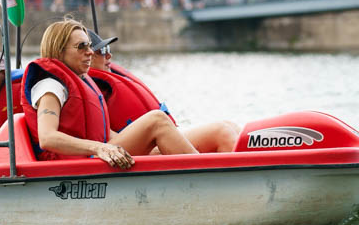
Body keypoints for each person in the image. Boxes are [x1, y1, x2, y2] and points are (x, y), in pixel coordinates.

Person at [23, 18, 198, 167]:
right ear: (59, 51)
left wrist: (150, 144)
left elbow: (104, 132)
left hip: (95, 155)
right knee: (157, 120)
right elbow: (47, 138)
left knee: (159, 146)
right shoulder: (50, 86)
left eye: (90, 46)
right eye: (81, 46)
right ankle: (205, 174)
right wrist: (98, 148)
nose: (90, 52)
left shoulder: (82, 81)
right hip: (76, 165)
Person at [86, 30, 240, 152]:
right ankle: (225, 186)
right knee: (222, 132)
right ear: (87, 56)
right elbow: (105, 137)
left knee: (230, 126)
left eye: (108, 49)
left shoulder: (97, 84)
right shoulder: (85, 89)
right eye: (102, 50)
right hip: (133, 145)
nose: (109, 55)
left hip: (145, 139)